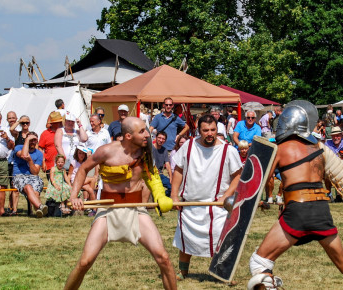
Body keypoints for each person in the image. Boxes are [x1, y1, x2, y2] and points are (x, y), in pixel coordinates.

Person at [247, 100, 343, 290]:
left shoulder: (280, 149)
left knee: (260, 262)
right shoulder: (319, 149)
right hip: (322, 211)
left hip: (297, 213)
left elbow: (258, 181)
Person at [64, 117, 176, 290]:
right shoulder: (106, 151)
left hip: (136, 209)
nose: (147, 134)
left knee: (164, 258)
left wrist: (160, 196)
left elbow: (152, 175)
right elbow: (84, 169)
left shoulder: (146, 151)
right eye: (142, 131)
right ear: (129, 136)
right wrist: (74, 196)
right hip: (108, 210)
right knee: (85, 262)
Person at [170, 115, 242, 281]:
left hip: (216, 205)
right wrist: (174, 195)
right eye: (205, 130)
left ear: (217, 129)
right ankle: (183, 271)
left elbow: (237, 176)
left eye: (213, 130)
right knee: (185, 240)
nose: (210, 133)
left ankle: (224, 274)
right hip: (190, 203)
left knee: (221, 240)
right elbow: (178, 170)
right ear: (198, 130)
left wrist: (225, 196)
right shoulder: (188, 146)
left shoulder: (228, 150)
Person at [13, 132, 49, 217]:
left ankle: (39, 212)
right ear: (26, 140)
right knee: (28, 187)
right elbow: (24, 155)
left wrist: (30, 161)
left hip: (33, 176)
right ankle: (40, 206)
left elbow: (35, 172)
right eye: (30, 140)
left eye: (34, 140)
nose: (32, 142)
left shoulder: (39, 154)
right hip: (19, 176)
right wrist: (27, 139)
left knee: (36, 192)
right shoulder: (18, 148)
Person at [152, 131, 171, 197]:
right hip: (151, 174)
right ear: (156, 138)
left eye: (163, 139)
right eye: (159, 138)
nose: (161, 140)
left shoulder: (164, 150)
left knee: (172, 186)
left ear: (165, 141)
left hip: (160, 174)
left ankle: (164, 197)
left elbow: (167, 164)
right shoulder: (150, 148)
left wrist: (171, 177)